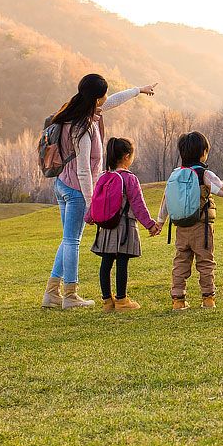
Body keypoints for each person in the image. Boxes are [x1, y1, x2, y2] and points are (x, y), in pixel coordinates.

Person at [42, 74, 157, 310]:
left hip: (62, 183)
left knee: (67, 240)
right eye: (104, 94)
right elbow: (84, 170)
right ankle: (70, 295)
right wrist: (90, 203)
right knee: (72, 241)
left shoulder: (74, 111)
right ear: (96, 98)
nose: (106, 98)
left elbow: (114, 100)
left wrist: (139, 90)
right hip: (75, 188)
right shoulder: (83, 127)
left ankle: (52, 293)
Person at [157, 131, 223, 310]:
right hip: (201, 228)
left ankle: (178, 300)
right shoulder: (204, 174)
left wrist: (160, 221)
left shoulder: (176, 174)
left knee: (180, 262)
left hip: (181, 227)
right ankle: (208, 299)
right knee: (205, 262)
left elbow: (166, 200)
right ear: (203, 152)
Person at [89, 137, 161, 312]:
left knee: (106, 263)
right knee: (122, 262)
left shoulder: (104, 177)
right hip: (124, 227)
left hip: (105, 227)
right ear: (127, 156)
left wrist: (89, 217)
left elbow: (94, 201)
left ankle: (107, 301)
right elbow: (138, 205)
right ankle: (121, 300)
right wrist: (150, 225)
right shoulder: (130, 179)